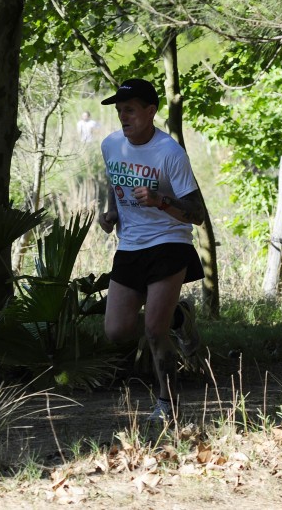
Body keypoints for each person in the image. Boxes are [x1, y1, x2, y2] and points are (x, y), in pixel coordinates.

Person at [97, 78, 206, 424]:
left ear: (150, 111)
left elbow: (198, 213)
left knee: (154, 331)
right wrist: (112, 211)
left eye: (129, 110)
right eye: (119, 111)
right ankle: (178, 317)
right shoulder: (111, 144)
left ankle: (167, 404)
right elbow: (115, 182)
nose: (123, 117)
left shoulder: (169, 153)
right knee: (116, 331)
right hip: (130, 245)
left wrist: (162, 201)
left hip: (169, 242)